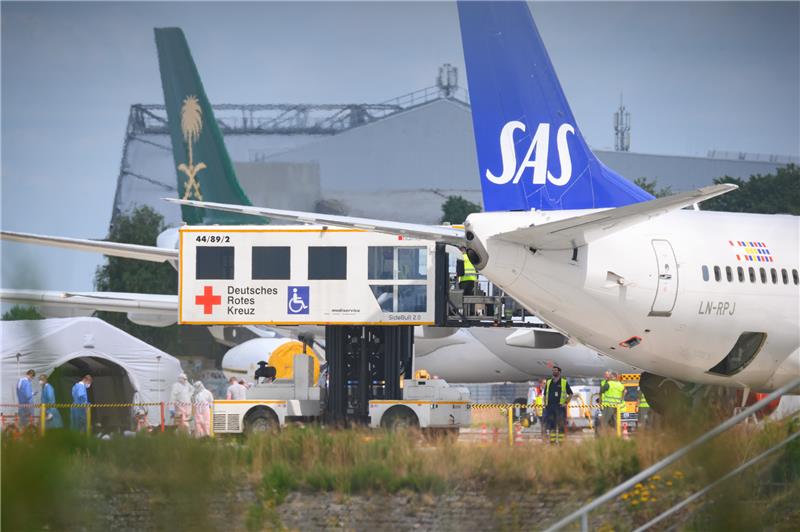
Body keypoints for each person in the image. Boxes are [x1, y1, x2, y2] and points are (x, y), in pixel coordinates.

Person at [543, 365, 573, 445]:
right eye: (553, 370)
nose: (554, 372)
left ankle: (561, 443)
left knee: (560, 426)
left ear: (559, 372)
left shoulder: (563, 382)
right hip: (550, 407)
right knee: (551, 426)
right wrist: (545, 404)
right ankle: (552, 442)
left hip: (560, 407)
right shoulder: (549, 382)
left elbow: (570, 394)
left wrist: (566, 403)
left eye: (555, 370)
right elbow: (545, 394)